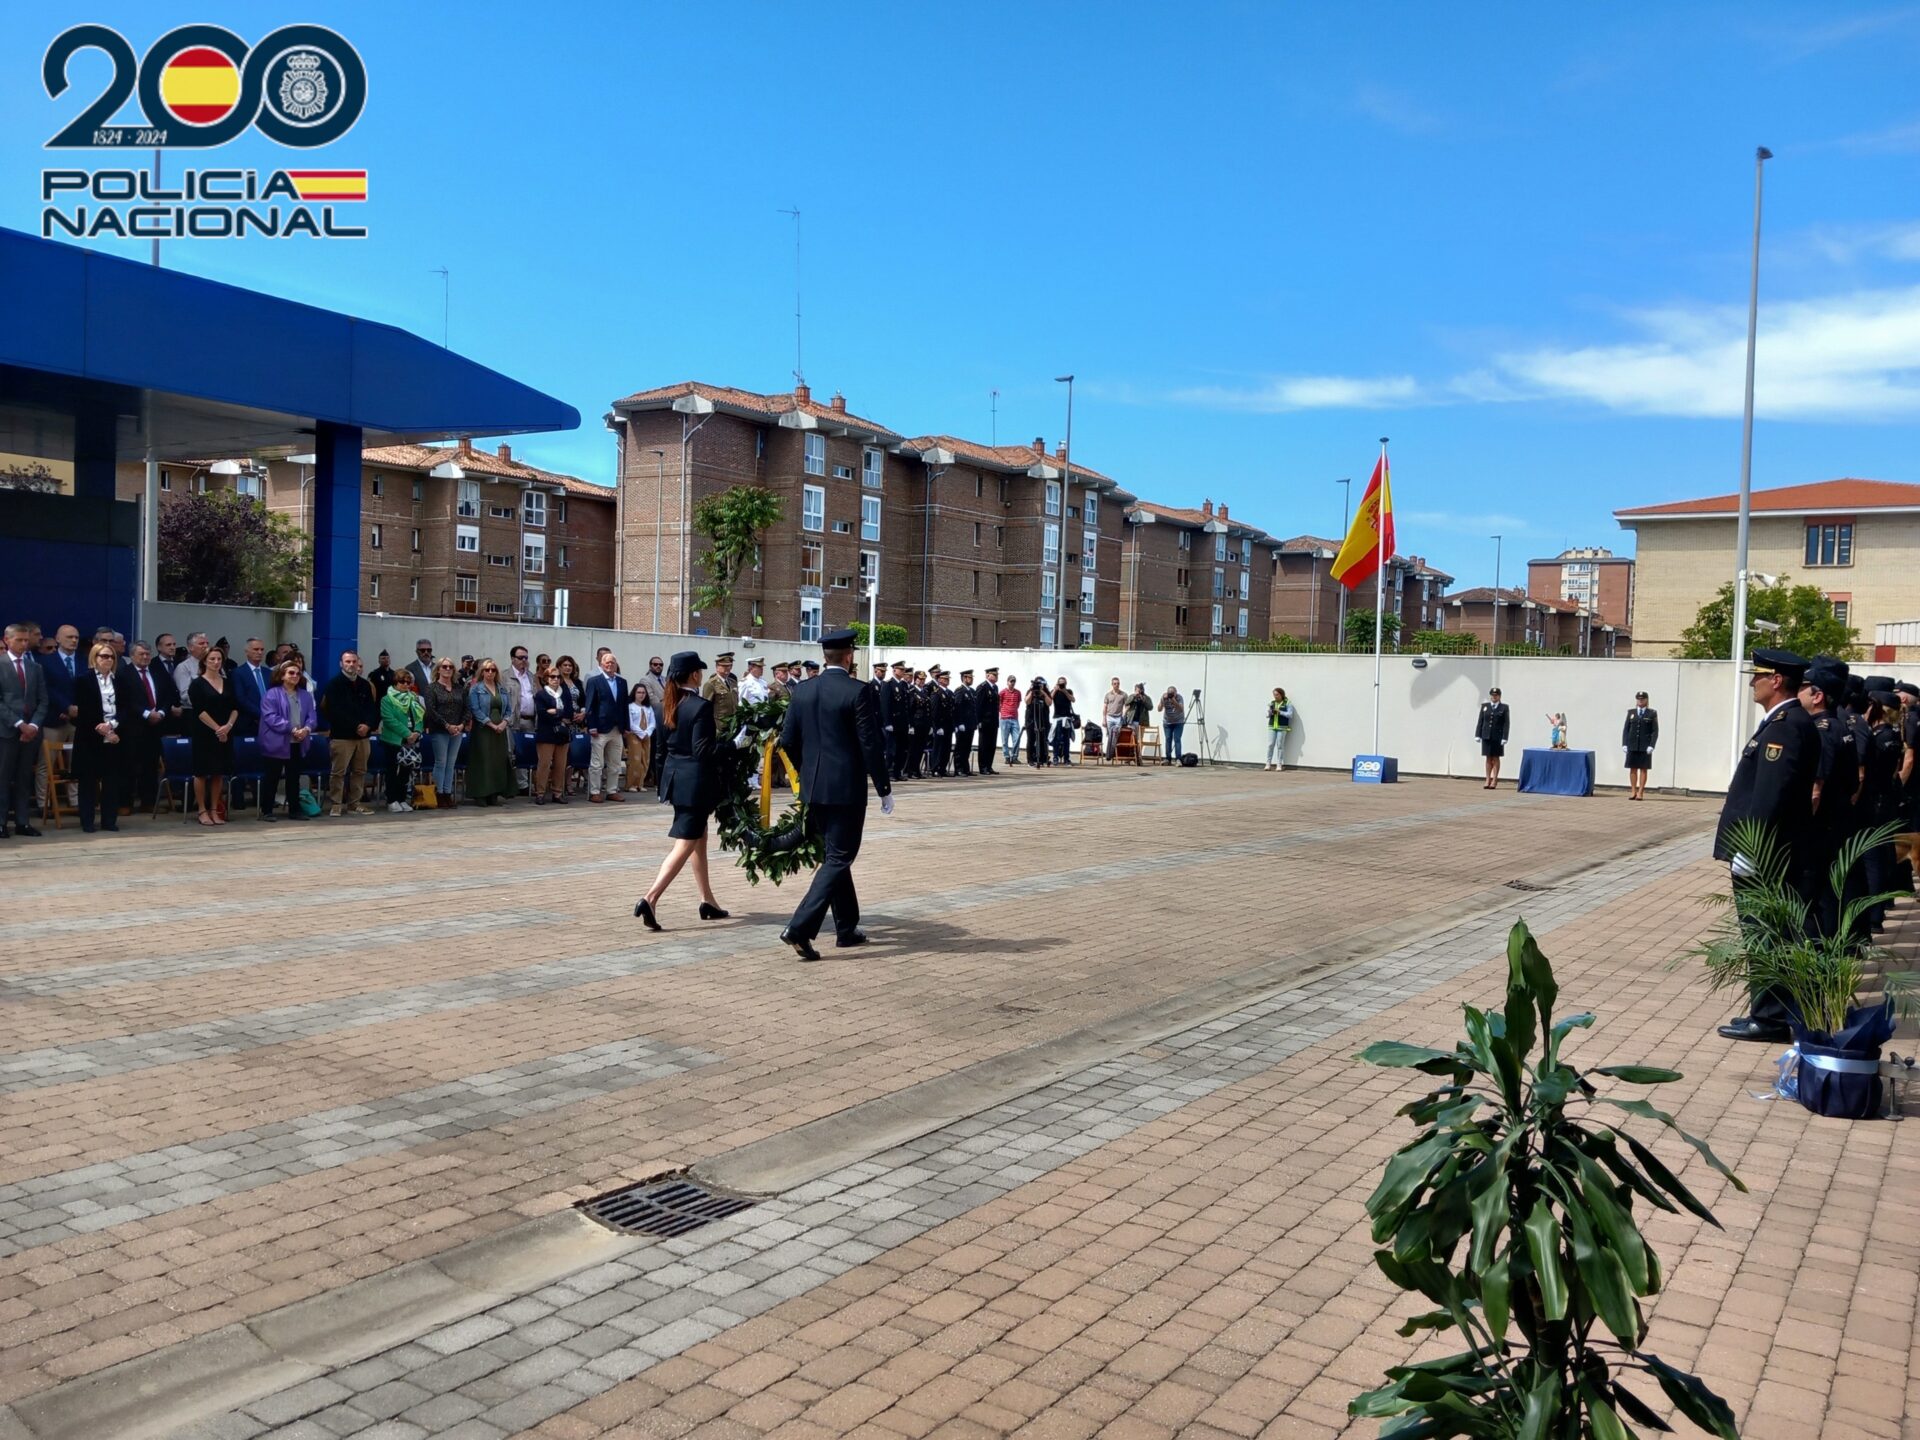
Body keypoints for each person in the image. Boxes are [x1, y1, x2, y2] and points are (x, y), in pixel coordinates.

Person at [1713, 648, 1819, 1043]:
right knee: (1766, 932)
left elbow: (1770, 795)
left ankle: (1771, 1018)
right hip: (1775, 850)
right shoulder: (1785, 722)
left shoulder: (1785, 726)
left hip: (1768, 854)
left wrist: (1752, 848)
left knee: (1765, 933)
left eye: (1758, 676)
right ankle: (1768, 1011)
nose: (1752, 683)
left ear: (1776, 680)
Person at [776, 629, 891, 961]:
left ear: (825, 657)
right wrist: (883, 787)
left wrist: (806, 772)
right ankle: (799, 927)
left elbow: (787, 741)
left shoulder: (803, 690)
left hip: (814, 788)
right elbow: (870, 744)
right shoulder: (858, 690)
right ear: (849, 656)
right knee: (840, 857)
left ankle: (846, 927)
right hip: (845, 789)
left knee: (835, 855)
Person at [634, 652, 729, 930]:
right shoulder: (700, 706)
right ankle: (650, 898)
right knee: (686, 842)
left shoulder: (666, 704)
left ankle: (707, 900)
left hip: (676, 780)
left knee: (699, 837)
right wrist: (733, 745)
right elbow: (703, 751)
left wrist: (663, 785)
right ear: (695, 675)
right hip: (695, 783)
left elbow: (660, 752)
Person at [71, 641, 133, 833]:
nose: (108, 660)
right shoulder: (83, 680)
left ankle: (109, 820)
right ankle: (87, 821)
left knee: (111, 781)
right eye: (104, 656)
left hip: (114, 736)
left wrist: (112, 726)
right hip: (90, 736)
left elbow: (125, 708)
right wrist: (102, 728)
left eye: (111, 657)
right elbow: (83, 710)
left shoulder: (120, 680)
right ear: (94, 658)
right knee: (88, 781)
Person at [0, 624, 47, 838]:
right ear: (7, 640)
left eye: (26, 640)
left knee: (24, 776)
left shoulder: (34, 667)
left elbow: (43, 700)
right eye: (19, 640)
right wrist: (19, 724)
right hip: (7, 731)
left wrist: (34, 725)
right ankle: (1, 822)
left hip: (31, 732)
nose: (24, 644)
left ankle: (22, 821)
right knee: (3, 777)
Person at [320, 651, 378, 817]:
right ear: (341, 663)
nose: (351, 664)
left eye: (354, 661)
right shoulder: (334, 684)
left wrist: (368, 725)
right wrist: (355, 725)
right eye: (347, 661)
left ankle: (354, 804)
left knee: (360, 771)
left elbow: (371, 708)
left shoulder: (365, 685)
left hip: (363, 737)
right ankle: (336, 804)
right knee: (338, 772)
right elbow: (333, 711)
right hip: (342, 736)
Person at [259, 658, 318, 821]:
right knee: (272, 777)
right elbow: (271, 717)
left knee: (294, 778)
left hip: (298, 742)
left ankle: (295, 810)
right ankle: (267, 810)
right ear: (282, 675)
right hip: (276, 742)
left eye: (298, 673)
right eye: (291, 673)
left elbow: (312, 716)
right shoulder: (272, 694)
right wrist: (291, 729)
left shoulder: (305, 695)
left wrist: (306, 729)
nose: (295, 676)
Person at [187, 642, 237, 826]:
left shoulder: (228, 682)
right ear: (204, 661)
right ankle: (202, 810)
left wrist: (228, 726)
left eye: (219, 659)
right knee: (201, 772)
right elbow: (200, 711)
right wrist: (217, 729)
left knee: (218, 772)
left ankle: (215, 809)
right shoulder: (197, 684)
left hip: (225, 732)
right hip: (205, 733)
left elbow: (235, 708)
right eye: (212, 659)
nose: (216, 662)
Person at [123, 642, 175, 815]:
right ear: (132, 656)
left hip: (155, 726)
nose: (145, 657)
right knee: (130, 765)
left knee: (151, 765)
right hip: (133, 726)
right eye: (141, 654)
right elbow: (126, 699)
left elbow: (168, 695)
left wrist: (161, 712)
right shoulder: (124, 673)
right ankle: (125, 803)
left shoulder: (157, 672)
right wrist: (146, 713)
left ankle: (148, 802)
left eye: (147, 654)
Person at [464, 660, 516, 806]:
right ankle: (481, 793)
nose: (490, 672)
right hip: (483, 730)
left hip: (500, 731)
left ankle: (494, 792)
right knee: (483, 760)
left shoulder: (501, 689)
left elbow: (508, 709)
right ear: (482, 672)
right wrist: (491, 724)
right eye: (487, 670)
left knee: (497, 761)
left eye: (493, 670)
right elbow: (475, 709)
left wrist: (504, 723)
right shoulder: (476, 689)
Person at [533, 661, 581, 805]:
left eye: (558, 677)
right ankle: (540, 793)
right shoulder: (541, 695)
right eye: (552, 677)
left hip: (562, 734)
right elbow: (542, 713)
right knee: (544, 764)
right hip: (546, 733)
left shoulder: (565, 694)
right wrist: (559, 715)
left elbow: (569, 712)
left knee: (561, 765)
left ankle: (558, 793)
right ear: (546, 679)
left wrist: (555, 712)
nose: (556, 679)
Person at [583, 649, 629, 803]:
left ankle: (611, 790)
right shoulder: (594, 681)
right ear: (602, 664)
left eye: (613, 662)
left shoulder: (622, 682)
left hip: (617, 729)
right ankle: (595, 791)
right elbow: (590, 706)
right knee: (597, 763)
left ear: (616, 665)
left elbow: (624, 706)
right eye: (607, 662)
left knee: (615, 763)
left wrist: (626, 726)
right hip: (600, 729)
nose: (610, 665)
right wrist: (591, 726)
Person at [422, 658, 468, 808]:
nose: (448, 669)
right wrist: (447, 725)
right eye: (444, 666)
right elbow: (431, 710)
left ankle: (447, 793)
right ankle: (439, 793)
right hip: (439, 729)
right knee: (441, 762)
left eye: (450, 667)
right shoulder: (432, 688)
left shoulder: (459, 688)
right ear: (438, 669)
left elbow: (467, 708)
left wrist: (461, 725)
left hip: (457, 730)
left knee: (451, 762)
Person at [379, 669, 427, 813]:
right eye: (402, 682)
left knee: (406, 771)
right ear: (395, 682)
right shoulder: (387, 699)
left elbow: (419, 716)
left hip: (411, 740)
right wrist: (407, 733)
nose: (406, 684)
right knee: (392, 771)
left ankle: (401, 798)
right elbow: (389, 719)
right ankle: (391, 800)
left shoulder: (413, 698)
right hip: (393, 740)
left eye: (408, 682)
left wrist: (417, 732)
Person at [504, 645, 539, 791]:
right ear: (512, 659)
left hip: (529, 720)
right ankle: (508, 784)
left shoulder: (531, 676)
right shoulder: (504, 676)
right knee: (510, 752)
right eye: (520, 657)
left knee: (525, 751)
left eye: (526, 657)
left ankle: (523, 785)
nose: (524, 660)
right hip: (512, 720)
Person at [231, 638, 272, 741]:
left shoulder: (269, 673)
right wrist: (261, 715)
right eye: (256, 649)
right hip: (249, 723)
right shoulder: (238, 673)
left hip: (270, 723)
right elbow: (241, 698)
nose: (260, 652)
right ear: (247, 652)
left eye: (262, 649)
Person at [1622, 691, 1659, 801]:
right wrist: (1624, 744)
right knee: (1633, 768)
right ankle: (1633, 791)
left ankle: (1640, 792)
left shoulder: (1651, 713)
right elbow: (1626, 729)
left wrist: (1652, 745)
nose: (1640, 701)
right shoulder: (1631, 712)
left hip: (1645, 746)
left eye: (1642, 699)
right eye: (1639, 699)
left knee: (1643, 769)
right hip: (1632, 744)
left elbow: (1655, 731)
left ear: (1646, 700)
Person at [1475, 687, 1510, 790]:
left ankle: (1494, 779)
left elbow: (1506, 723)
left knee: (1495, 758)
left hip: (1497, 737)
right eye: (1493, 695)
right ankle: (1487, 779)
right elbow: (1480, 721)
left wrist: (1505, 737)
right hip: (1486, 735)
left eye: (1496, 695)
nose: (1494, 697)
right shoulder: (1485, 706)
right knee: (1488, 758)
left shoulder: (1504, 707)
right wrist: (1477, 734)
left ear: (1499, 696)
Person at [625, 685, 656, 795]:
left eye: (643, 693)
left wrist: (647, 732)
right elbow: (631, 723)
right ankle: (631, 784)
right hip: (634, 735)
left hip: (646, 735)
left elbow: (652, 722)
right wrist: (641, 733)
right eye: (639, 692)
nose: (641, 695)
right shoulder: (630, 707)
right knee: (635, 759)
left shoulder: (648, 707)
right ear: (634, 693)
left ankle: (640, 784)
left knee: (645, 759)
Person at [953, 668, 976, 777]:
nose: (971, 679)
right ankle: (958, 768)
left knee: (967, 747)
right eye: (969, 677)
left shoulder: (971, 691)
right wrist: (959, 723)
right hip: (962, 724)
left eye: (972, 677)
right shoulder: (960, 691)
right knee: (960, 747)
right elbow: (958, 708)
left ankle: (965, 768)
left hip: (970, 724)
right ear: (964, 678)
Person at [976, 667, 999, 775]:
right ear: (987, 675)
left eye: (997, 675)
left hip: (993, 721)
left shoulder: (995, 688)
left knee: (992, 745)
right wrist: (979, 721)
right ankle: (983, 767)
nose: (996, 677)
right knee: (984, 745)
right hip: (985, 721)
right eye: (994, 675)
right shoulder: (982, 687)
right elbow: (978, 706)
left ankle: (989, 766)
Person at [1025, 677, 1052, 767]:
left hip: (1043, 719)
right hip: (1031, 718)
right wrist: (1032, 691)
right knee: (1031, 739)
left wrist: (1043, 692)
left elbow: (1049, 703)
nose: (1039, 687)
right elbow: (1027, 701)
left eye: (1041, 685)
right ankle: (1030, 759)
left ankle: (1042, 758)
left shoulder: (1046, 692)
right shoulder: (1031, 691)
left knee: (1042, 739)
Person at [1266, 688, 1293, 771]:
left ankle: (1279, 764)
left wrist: (1280, 712)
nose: (1275, 696)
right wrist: (1270, 712)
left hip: (1282, 727)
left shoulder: (1287, 703)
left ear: (1281, 694)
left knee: (1280, 745)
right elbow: (1267, 715)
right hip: (1272, 727)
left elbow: (1290, 714)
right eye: (1274, 695)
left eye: (1277, 695)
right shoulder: (1272, 703)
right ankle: (1268, 763)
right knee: (1270, 745)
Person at [1054, 677, 1080, 764]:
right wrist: (1055, 689)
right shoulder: (1055, 691)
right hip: (1058, 717)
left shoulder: (1068, 691)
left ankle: (1066, 758)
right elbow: (1050, 699)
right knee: (1056, 739)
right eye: (1060, 683)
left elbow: (1073, 700)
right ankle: (1055, 757)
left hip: (1067, 718)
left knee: (1066, 739)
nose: (1061, 685)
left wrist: (1065, 691)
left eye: (1063, 683)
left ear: (1066, 684)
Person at [1157, 687, 1186, 765]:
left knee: (1177, 739)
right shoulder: (1164, 697)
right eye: (1170, 693)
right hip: (1167, 722)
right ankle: (1168, 759)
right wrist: (1162, 700)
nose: (1171, 695)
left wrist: (1173, 700)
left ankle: (1178, 759)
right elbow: (1159, 709)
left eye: (1173, 693)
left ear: (1176, 692)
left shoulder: (1179, 698)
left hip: (1178, 722)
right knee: (1168, 739)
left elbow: (1181, 709)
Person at [999, 674, 1022, 765]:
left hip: (1014, 718)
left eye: (1014, 681)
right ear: (1007, 682)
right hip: (1004, 719)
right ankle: (1007, 757)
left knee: (1017, 738)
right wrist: (1003, 712)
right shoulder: (1002, 692)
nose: (1012, 683)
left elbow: (1018, 704)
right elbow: (999, 704)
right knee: (1004, 740)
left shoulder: (1018, 693)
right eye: (1011, 681)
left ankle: (1014, 757)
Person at [1101, 677, 1127, 758]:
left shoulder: (1123, 695)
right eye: (1115, 683)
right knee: (1109, 735)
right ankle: (1109, 754)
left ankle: (1111, 754)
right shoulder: (1108, 695)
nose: (1117, 685)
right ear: (1112, 684)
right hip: (1109, 717)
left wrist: (1124, 714)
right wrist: (1104, 719)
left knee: (1115, 735)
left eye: (1118, 683)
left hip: (1118, 718)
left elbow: (1127, 706)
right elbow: (1105, 707)